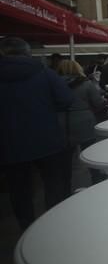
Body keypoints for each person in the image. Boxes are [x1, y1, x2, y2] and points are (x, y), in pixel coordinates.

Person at [0, 37, 74, 230]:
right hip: (47, 138)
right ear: (27, 52)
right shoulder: (44, 72)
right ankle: (53, 224)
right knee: (53, 184)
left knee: (19, 191)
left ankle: (26, 228)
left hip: (9, 143)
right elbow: (66, 100)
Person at [55, 59, 107, 189]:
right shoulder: (86, 84)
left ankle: (64, 187)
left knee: (65, 160)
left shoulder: (54, 84)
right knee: (91, 154)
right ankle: (97, 182)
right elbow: (98, 103)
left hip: (61, 122)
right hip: (84, 121)